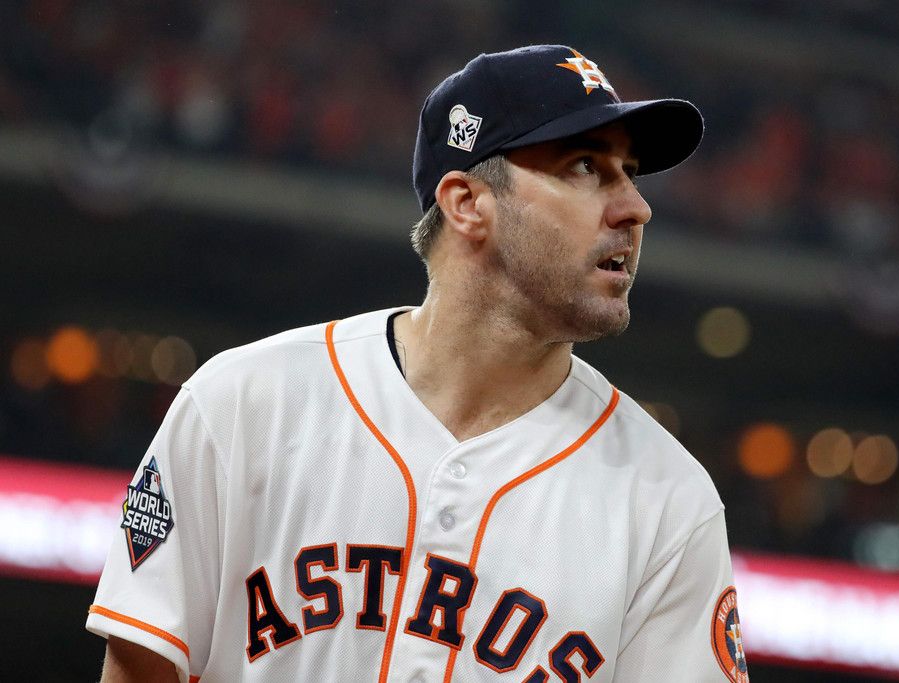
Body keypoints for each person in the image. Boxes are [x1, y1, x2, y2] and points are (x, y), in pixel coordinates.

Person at [86, 44, 748, 683]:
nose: (636, 207)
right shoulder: (243, 404)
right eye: (585, 166)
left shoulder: (669, 502)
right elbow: (140, 669)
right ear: (466, 203)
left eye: (630, 172)